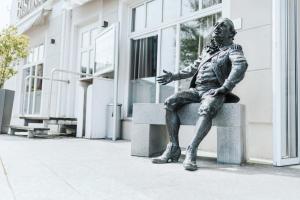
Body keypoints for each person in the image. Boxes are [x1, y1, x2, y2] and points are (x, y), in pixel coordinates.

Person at [152, 18, 248, 171]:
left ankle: (191, 150)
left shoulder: (234, 49)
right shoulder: (207, 51)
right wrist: (174, 76)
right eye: (216, 24)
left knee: (207, 108)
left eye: (223, 25)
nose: (217, 27)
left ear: (231, 33)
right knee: (170, 102)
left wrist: (225, 87)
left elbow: (240, 66)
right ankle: (173, 147)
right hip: (196, 90)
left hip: (214, 90)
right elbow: (192, 68)